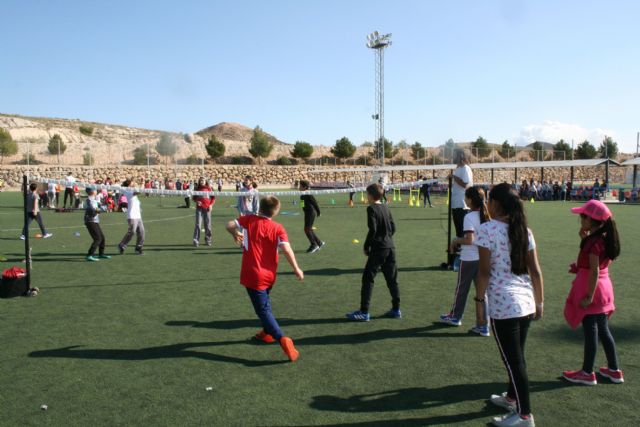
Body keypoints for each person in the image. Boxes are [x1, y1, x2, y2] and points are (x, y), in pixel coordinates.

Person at [475, 183, 544, 427]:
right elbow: (535, 271)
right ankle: (512, 398)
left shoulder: (487, 230)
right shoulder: (524, 230)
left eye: (489, 202)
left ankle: (525, 415)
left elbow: (483, 272)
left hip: (505, 307)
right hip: (525, 303)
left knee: (514, 361)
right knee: (517, 357)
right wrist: (539, 301)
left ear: (495, 204)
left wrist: (479, 302)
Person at [225, 196, 304, 362]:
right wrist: (296, 268)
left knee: (263, 310)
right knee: (265, 303)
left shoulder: (249, 220)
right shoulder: (278, 227)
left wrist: (235, 233)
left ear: (259, 207)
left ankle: (282, 338)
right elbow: (287, 250)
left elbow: (229, 225)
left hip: (253, 274)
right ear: (275, 212)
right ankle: (266, 333)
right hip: (270, 275)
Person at [562, 200, 623, 385]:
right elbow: (594, 266)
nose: (580, 219)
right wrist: (584, 239)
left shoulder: (594, 242)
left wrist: (588, 295)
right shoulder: (603, 238)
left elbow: (594, 270)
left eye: (583, 216)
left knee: (591, 331)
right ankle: (614, 370)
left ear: (591, 219)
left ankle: (587, 373)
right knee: (603, 330)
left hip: (593, 290)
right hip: (603, 288)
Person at [439, 186, 490, 336]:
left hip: (469, 259)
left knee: (462, 289)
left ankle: (455, 316)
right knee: (482, 293)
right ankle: (483, 326)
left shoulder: (469, 217)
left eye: (466, 197)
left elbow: (469, 239)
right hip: (483, 258)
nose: (464, 199)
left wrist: (455, 240)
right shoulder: (487, 215)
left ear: (470, 200)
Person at [346, 183, 400, 321]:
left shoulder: (371, 209)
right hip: (390, 248)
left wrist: (366, 246)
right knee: (392, 279)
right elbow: (393, 227)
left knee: (368, 278)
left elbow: (373, 229)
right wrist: (387, 238)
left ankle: (364, 312)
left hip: (379, 249)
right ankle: (396, 309)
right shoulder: (385, 207)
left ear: (370, 195)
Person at [450, 149, 473, 266]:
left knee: (463, 234)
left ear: (461, 157)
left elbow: (466, 184)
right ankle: (458, 260)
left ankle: (462, 260)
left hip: (463, 206)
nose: (453, 157)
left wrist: (454, 177)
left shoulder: (465, 169)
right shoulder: (458, 168)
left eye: (456, 155)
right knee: (459, 232)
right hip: (456, 205)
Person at [118, 180, 145, 255]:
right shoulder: (128, 192)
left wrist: (139, 209)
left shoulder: (133, 194)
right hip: (132, 216)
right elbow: (138, 192)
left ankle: (138, 248)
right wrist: (143, 183)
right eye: (132, 183)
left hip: (138, 216)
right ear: (129, 185)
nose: (134, 184)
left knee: (141, 232)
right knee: (132, 231)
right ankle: (122, 245)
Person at [84, 187, 111, 262]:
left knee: (102, 238)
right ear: (92, 192)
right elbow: (92, 210)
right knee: (97, 238)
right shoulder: (89, 200)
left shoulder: (94, 200)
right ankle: (89, 255)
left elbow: (101, 207)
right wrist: (99, 210)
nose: (97, 191)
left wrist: (107, 204)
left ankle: (101, 254)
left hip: (95, 221)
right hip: (90, 221)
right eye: (95, 190)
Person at [299, 180, 324, 253]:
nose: (299, 187)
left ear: (304, 187)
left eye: (300, 186)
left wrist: (318, 212)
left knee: (307, 229)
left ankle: (314, 245)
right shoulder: (302, 194)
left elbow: (315, 203)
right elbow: (302, 205)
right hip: (307, 213)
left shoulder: (308, 194)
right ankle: (319, 243)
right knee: (308, 229)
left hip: (311, 213)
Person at [193, 177, 215, 247]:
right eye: (200, 180)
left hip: (207, 208)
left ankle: (208, 239)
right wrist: (197, 201)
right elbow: (194, 198)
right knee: (198, 224)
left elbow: (213, 198)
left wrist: (211, 205)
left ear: (206, 181)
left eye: (203, 180)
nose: (202, 181)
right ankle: (196, 240)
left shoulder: (209, 189)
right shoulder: (197, 189)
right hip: (199, 209)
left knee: (207, 224)